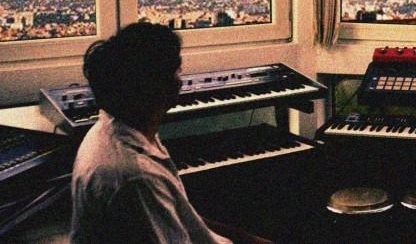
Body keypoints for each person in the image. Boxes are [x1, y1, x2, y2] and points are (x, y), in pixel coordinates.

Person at [70, 22, 270, 244]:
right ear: (155, 85)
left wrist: (246, 238)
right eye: (176, 71)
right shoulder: (136, 177)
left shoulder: (118, 128)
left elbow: (184, 217)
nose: (180, 78)